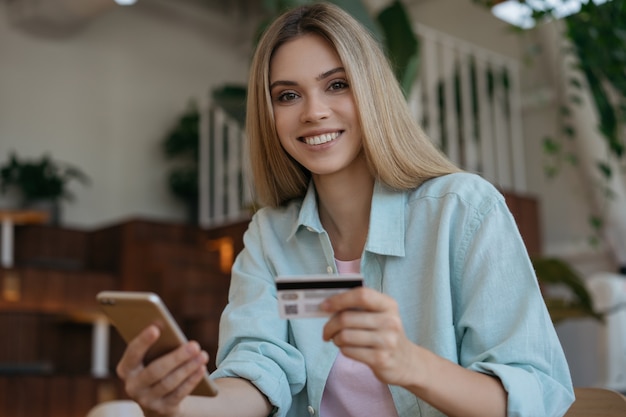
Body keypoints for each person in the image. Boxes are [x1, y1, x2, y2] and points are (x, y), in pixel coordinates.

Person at [116, 3, 575, 417]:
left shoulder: (463, 210)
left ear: (371, 92)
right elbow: (257, 370)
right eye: (287, 95)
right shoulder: (269, 235)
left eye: (337, 85)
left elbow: (536, 394)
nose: (313, 112)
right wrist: (179, 405)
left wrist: (410, 363)